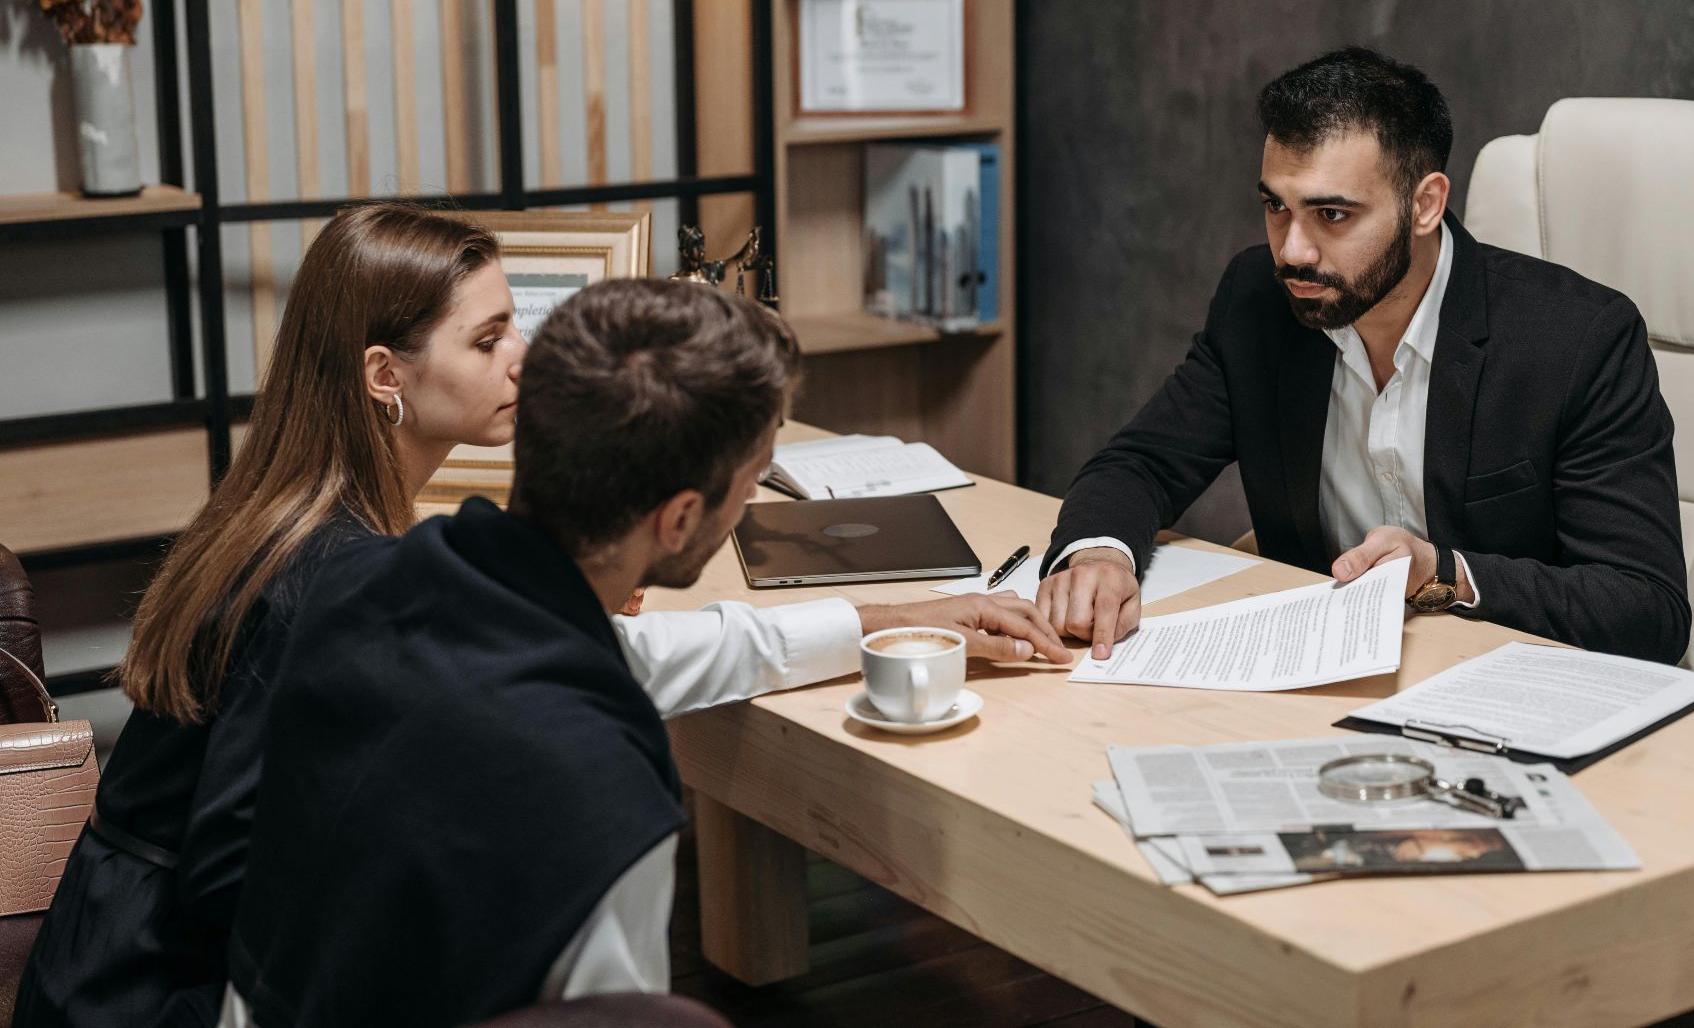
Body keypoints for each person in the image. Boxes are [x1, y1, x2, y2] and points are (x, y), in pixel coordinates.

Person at [216, 279, 1067, 1027]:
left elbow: (650, 652)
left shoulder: (373, 589)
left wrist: (903, 617)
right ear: (678, 518)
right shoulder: (600, 790)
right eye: (752, 482)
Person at [15, 202, 525, 1027]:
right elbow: (232, 869)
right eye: (488, 338)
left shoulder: (293, 512)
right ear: (384, 376)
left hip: (111, 956)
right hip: (151, 992)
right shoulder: (328, 565)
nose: (520, 359)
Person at [1035, 47, 1689, 664]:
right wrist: (1099, 554)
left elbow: (1645, 607)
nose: (1292, 250)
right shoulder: (1258, 302)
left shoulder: (1577, 341)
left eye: (1333, 215)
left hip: (1514, 685)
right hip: (1323, 673)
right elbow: (1142, 462)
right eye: (1276, 207)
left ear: (1425, 204)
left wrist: (1447, 573)